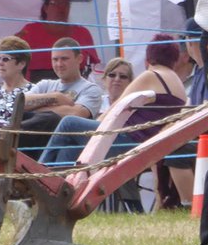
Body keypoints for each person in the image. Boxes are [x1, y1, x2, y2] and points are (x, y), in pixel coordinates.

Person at [40, 35, 187, 172]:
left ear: (148, 57)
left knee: (69, 123)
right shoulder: (178, 85)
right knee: (68, 151)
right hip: (143, 144)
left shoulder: (151, 75)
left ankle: (40, 169)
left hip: (127, 141)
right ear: (175, 59)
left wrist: (94, 130)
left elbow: (115, 109)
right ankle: (55, 185)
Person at [15, 37, 104, 155]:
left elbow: (75, 114)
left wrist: (38, 107)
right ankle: (6, 136)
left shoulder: (91, 89)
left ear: (79, 59)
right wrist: (55, 97)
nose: (59, 64)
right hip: (30, 144)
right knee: (25, 114)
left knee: (51, 118)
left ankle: (7, 136)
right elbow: (20, 103)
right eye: (55, 59)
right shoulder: (45, 84)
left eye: (64, 59)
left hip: (61, 146)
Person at [15, 0, 101, 82]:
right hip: (36, 88)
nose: (61, 7)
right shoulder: (30, 31)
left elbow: (96, 67)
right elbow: (12, 58)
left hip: (74, 87)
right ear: (45, 8)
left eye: (65, 3)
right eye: (55, 3)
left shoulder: (82, 33)